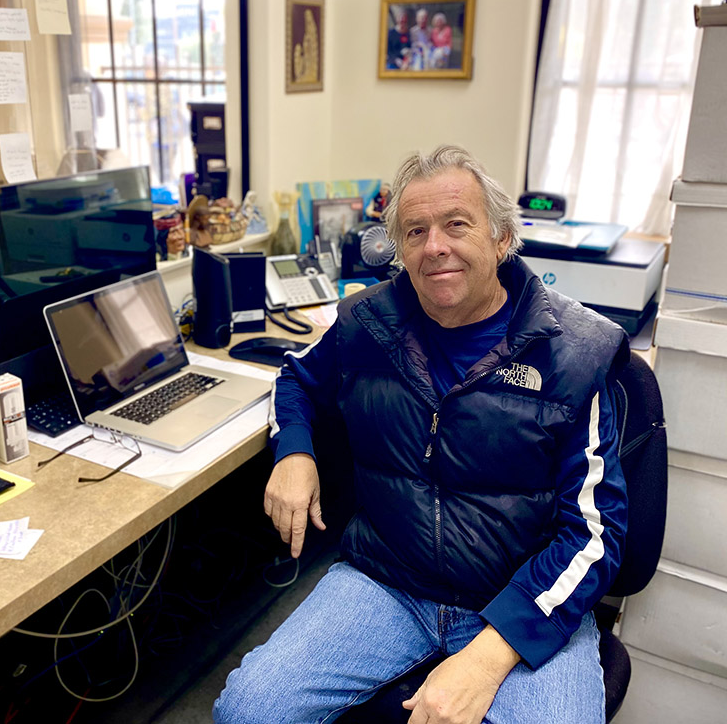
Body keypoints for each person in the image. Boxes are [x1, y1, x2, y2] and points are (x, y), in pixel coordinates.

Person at [213, 145, 629, 724]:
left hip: (518, 596)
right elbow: (296, 377)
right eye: (415, 231)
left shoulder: (573, 354)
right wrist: (294, 452)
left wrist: (488, 656)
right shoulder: (367, 323)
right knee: (248, 710)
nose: (434, 246)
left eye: (456, 224)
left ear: (502, 238)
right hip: (388, 580)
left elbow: (595, 533)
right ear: (400, 249)